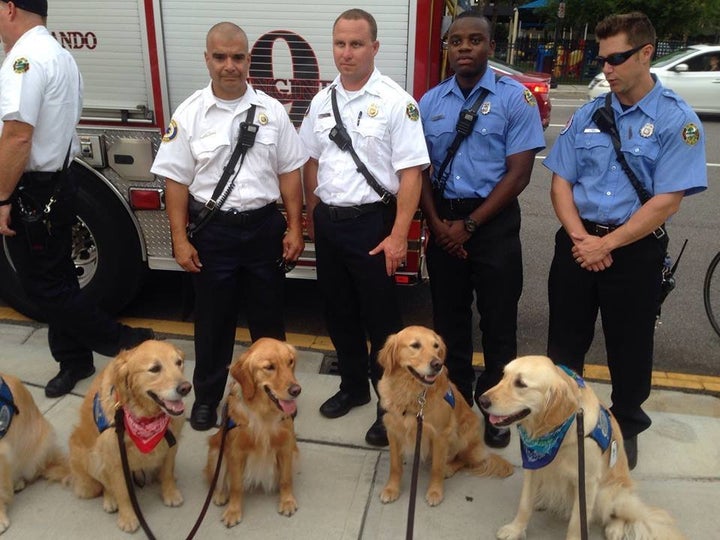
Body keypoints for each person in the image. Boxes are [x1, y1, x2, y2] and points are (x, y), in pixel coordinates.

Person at [543, 12, 707, 469]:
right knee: (564, 344)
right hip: (578, 244)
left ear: (646, 53)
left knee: (630, 347)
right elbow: (560, 181)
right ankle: (559, 421)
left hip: (634, 251)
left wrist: (606, 245)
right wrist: (581, 239)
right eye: (603, 59)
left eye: (617, 58)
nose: (606, 69)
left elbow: (667, 201)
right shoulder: (589, 113)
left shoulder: (677, 120)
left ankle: (626, 426)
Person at [150, 22, 306, 431]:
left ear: (248, 59)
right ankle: (207, 397)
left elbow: (291, 172)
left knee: (269, 322)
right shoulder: (190, 114)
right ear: (207, 59)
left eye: (238, 57)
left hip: (262, 230)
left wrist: (295, 227)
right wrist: (180, 240)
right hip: (213, 232)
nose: (229, 65)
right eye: (220, 57)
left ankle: (277, 394)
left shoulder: (272, 112)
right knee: (213, 321)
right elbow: (176, 182)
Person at [0, 0, 154, 398]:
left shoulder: (25, 61)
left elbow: (17, 135)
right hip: (60, 182)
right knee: (62, 276)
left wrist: (2, 197)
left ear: (10, 8)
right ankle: (73, 360)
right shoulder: (58, 54)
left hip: (34, 188)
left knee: (42, 288)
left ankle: (128, 341)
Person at [298, 9, 429, 446]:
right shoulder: (322, 100)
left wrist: (398, 234)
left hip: (374, 224)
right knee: (338, 313)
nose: (347, 53)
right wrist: (315, 213)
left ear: (374, 47)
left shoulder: (396, 102)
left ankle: (387, 404)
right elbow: (312, 159)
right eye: (340, 44)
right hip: (331, 223)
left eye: (356, 44)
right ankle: (352, 386)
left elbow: (411, 173)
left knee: (383, 325)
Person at [418, 12, 545, 449]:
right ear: (447, 49)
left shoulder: (516, 99)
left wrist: (469, 225)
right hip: (444, 221)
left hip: (492, 224)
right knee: (448, 322)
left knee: (498, 322)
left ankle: (497, 410)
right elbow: (420, 171)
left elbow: (520, 174)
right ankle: (454, 403)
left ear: (491, 46)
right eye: (456, 42)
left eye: (474, 40)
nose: (464, 48)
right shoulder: (430, 102)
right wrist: (437, 225)